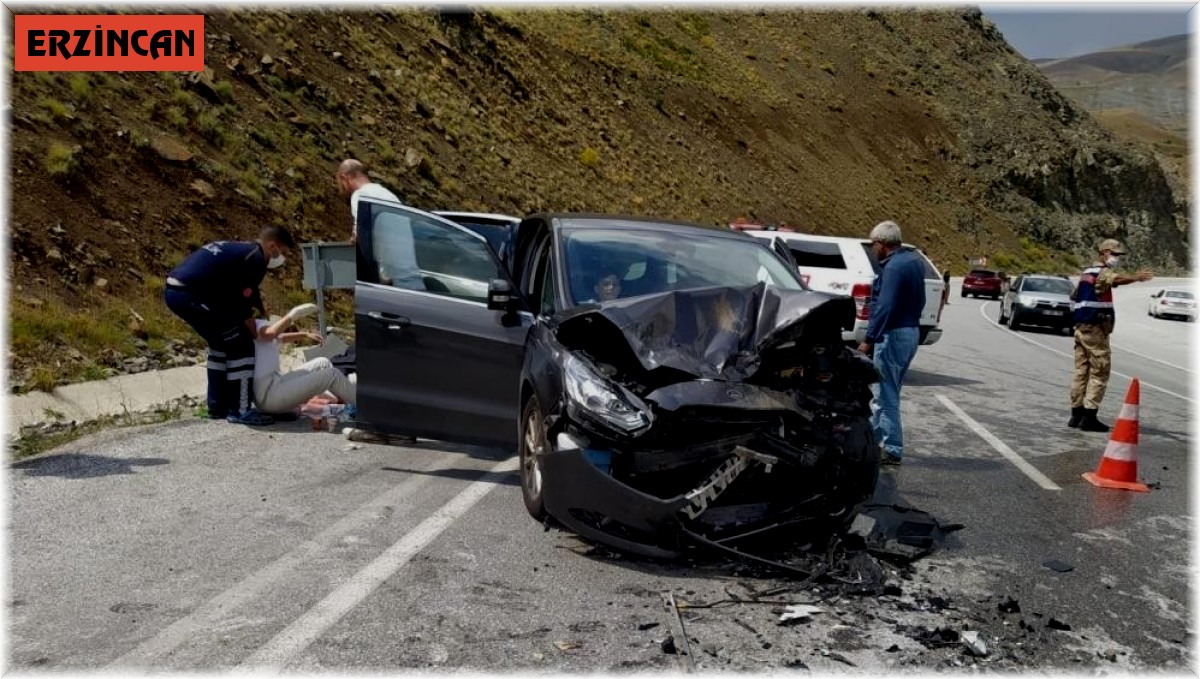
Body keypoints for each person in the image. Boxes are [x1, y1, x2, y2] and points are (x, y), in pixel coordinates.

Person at [164, 226, 296, 425]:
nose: (282, 259)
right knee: (242, 345)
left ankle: (217, 407)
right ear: (273, 246)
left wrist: (259, 308)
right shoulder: (257, 259)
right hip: (192, 295)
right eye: (284, 253)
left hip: (177, 291)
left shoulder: (246, 251)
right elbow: (241, 305)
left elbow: (246, 290)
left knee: (220, 343)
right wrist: (255, 332)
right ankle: (240, 410)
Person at [857, 220, 925, 466]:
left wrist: (868, 340)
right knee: (888, 391)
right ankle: (874, 440)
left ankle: (892, 448)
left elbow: (885, 306)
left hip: (894, 334)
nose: (873, 249)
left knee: (885, 395)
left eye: (874, 244)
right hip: (910, 332)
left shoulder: (894, 268)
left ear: (883, 244)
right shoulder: (913, 262)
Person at [1068, 239, 1154, 432]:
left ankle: (1076, 414)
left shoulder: (1086, 273)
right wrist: (1136, 278)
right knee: (1100, 372)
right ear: (1104, 253)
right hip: (1096, 329)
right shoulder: (1102, 272)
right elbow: (1115, 279)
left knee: (1081, 372)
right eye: (1114, 254)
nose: (1116, 258)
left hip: (1081, 328)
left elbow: (1074, 295)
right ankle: (1089, 417)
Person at [252, 314, 357, 416]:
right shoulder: (258, 325)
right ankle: (363, 408)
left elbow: (280, 337)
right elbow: (271, 333)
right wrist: (296, 313)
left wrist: (305, 334)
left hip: (272, 388)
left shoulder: (256, 329)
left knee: (323, 362)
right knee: (332, 375)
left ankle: (342, 401)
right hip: (270, 397)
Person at [335, 159, 403, 243]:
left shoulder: (361, 195)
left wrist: (354, 237)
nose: (343, 188)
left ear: (344, 178)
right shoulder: (389, 195)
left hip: (385, 252)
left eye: (341, 184)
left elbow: (361, 232)